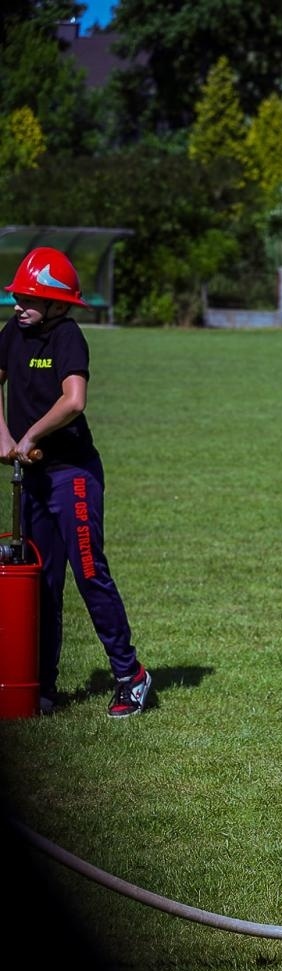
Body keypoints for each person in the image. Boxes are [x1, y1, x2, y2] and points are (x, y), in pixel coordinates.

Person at [0, 248, 153, 718]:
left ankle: (131, 676)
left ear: (58, 303)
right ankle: (40, 686)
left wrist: (29, 434)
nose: (19, 304)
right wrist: (3, 435)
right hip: (34, 478)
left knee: (89, 573)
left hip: (73, 476)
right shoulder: (12, 333)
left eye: (30, 297)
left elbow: (74, 400)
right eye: (18, 295)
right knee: (41, 582)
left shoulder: (68, 337)